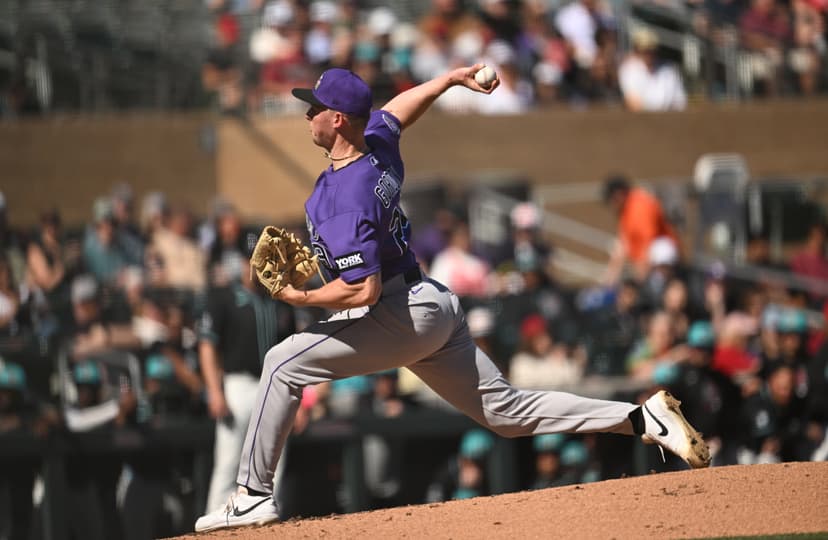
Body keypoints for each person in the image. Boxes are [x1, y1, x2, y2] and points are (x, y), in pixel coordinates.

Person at [195, 65, 710, 532]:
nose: (306, 112)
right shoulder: (374, 142)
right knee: (507, 413)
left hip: (395, 312)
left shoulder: (344, 199)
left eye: (314, 107)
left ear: (337, 120)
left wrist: (299, 296)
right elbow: (397, 110)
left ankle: (254, 494)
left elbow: (363, 289)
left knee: (283, 362)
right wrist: (447, 80)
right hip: (431, 303)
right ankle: (643, 418)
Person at [602, 175, 680, 284]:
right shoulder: (625, 210)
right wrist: (608, 280)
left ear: (618, 194)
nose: (612, 206)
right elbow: (622, 245)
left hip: (660, 258)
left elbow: (648, 243)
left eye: (611, 200)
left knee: (660, 249)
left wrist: (640, 279)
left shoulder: (639, 205)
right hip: (643, 261)